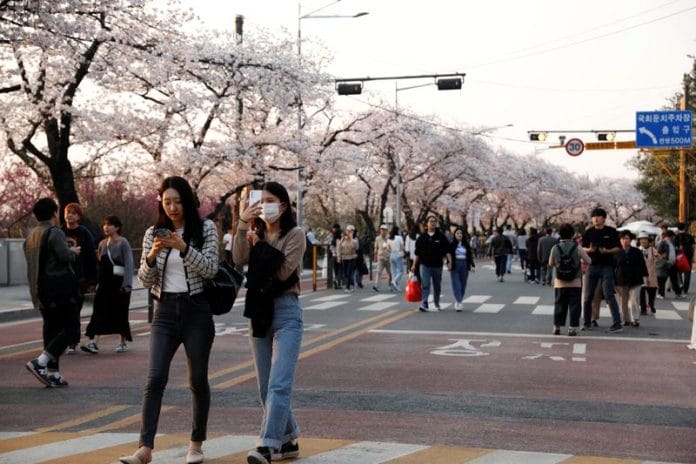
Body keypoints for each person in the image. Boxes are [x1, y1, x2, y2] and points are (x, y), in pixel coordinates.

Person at [120, 176, 218, 464]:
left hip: (196, 311)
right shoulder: (153, 232)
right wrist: (151, 255)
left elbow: (211, 269)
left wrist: (183, 247)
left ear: (187, 201)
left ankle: (196, 444)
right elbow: (144, 278)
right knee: (155, 378)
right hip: (164, 312)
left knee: (197, 380)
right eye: (167, 202)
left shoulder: (205, 229)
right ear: (161, 203)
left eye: (178, 201)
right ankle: (145, 447)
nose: (173, 207)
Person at [234, 182, 306, 464]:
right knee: (265, 386)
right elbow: (239, 259)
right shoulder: (254, 232)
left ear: (284, 205)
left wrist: (259, 246)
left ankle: (267, 445)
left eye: (271, 200)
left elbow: (283, 271)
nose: (264, 205)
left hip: (287, 310)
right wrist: (242, 224)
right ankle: (288, 439)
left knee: (279, 383)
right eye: (260, 200)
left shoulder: (295, 234)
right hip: (259, 309)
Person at [24, 198, 81, 388]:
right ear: (54, 214)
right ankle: (40, 362)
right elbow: (64, 256)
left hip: (40, 290)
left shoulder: (31, 236)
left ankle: (53, 373)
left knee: (51, 330)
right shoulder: (54, 232)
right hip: (60, 288)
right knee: (71, 330)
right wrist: (73, 251)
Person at [81, 216, 134, 354]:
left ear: (117, 227)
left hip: (118, 282)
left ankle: (122, 342)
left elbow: (129, 263)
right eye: (104, 224)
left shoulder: (123, 243)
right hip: (104, 283)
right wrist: (96, 283)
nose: (106, 227)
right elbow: (100, 265)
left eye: (109, 225)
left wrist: (127, 284)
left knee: (121, 311)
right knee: (99, 311)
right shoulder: (102, 244)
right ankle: (93, 342)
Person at [61, 202, 97, 354]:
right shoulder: (59, 232)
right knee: (63, 312)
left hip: (79, 278)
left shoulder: (84, 233)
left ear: (79, 216)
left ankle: (72, 342)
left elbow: (90, 257)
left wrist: (92, 280)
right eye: (68, 212)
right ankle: (62, 341)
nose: (70, 215)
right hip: (62, 277)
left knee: (74, 311)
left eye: (73, 213)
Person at [582, 207, 624, 333]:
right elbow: (582, 248)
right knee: (588, 295)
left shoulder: (611, 231)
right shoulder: (589, 232)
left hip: (607, 266)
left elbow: (618, 248)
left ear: (604, 219)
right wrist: (589, 250)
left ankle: (617, 323)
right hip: (592, 266)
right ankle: (587, 322)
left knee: (608, 294)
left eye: (598, 216)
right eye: (593, 217)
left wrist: (607, 251)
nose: (595, 219)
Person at [549, 223, 591, 336]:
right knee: (574, 305)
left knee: (559, 304)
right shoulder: (577, 247)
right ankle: (572, 328)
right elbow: (589, 261)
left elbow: (550, 263)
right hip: (575, 281)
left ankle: (557, 326)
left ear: (560, 234)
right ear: (572, 234)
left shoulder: (555, 248)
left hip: (560, 282)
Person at [411, 216, 451, 312]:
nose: (432, 223)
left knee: (437, 285)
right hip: (424, 265)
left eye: (434, 221)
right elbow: (417, 253)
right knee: (425, 284)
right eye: (430, 221)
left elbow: (447, 251)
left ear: (436, 223)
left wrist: (450, 262)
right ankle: (425, 302)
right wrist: (413, 265)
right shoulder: (422, 237)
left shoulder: (441, 237)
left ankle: (436, 302)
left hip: (437, 265)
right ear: (427, 224)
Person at [615, 230, 648, 327]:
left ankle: (635, 319)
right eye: (622, 239)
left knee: (634, 299)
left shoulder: (637, 251)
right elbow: (613, 266)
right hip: (621, 280)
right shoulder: (617, 252)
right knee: (623, 302)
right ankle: (626, 319)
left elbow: (642, 264)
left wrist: (645, 276)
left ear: (630, 240)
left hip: (635, 279)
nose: (624, 241)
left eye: (626, 238)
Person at [448, 227, 475, 311]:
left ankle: (458, 301)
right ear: (454, 235)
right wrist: (449, 264)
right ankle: (459, 302)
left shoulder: (466, 245)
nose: (459, 235)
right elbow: (448, 256)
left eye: (461, 233)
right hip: (455, 265)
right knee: (456, 284)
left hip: (464, 265)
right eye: (457, 233)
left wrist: (472, 265)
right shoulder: (452, 244)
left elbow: (469, 256)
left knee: (463, 284)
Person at [637, 232, 658, 316]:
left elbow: (658, 258)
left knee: (652, 292)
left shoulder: (653, 249)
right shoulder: (637, 250)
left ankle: (651, 305)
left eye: (645, 239)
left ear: (648, 240)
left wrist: (657, 256)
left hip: (651, 274)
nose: (643, 241)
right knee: (642, 292)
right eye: (641, 239)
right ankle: (643, 309)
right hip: (641, 274)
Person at [337, 225, 359, 292]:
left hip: (352, 257)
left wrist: (351, 238)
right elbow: (339, 248)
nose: (348, 232)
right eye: (347, 231)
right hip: (344, 257)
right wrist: (339, 257)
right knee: (346, 273)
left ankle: (348, 287)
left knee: (349, 272)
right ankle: (353, 284)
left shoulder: (355, 240)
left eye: (350, 231)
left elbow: (356, 247)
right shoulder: (343, 239)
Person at [674, 222, 694, 293]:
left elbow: (675, 247)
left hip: (679, 257)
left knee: (678, 272)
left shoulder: (676, 237)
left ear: (678, 228)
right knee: (687, 272)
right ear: (684, 228)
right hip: (688, 256)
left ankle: (680, 283)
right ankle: (685, 288)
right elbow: (693, 246)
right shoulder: (689, 236)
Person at [372, 224, 392, 291]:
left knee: (389, 272)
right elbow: (376, 247)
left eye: (384, 230)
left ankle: (390, 285)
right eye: (382, 230)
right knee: (379, 271)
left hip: (388, 257)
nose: (383, 231)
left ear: (387, 231)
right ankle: (376, 285)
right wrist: (375, 255)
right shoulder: (377, 238)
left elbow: (392, 248)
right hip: (380, 257)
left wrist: (388, 248)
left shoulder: (389, 238)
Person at [388, 225, 405, 291]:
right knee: (401, 271)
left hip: (391, 254)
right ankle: (395, 281)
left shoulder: (389, 239)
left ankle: (394, 286)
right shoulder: (399, 237)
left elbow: (387, 248)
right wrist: (402, 252)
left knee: (394, 271)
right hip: (398, 254)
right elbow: (402, 246)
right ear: (397, 231)